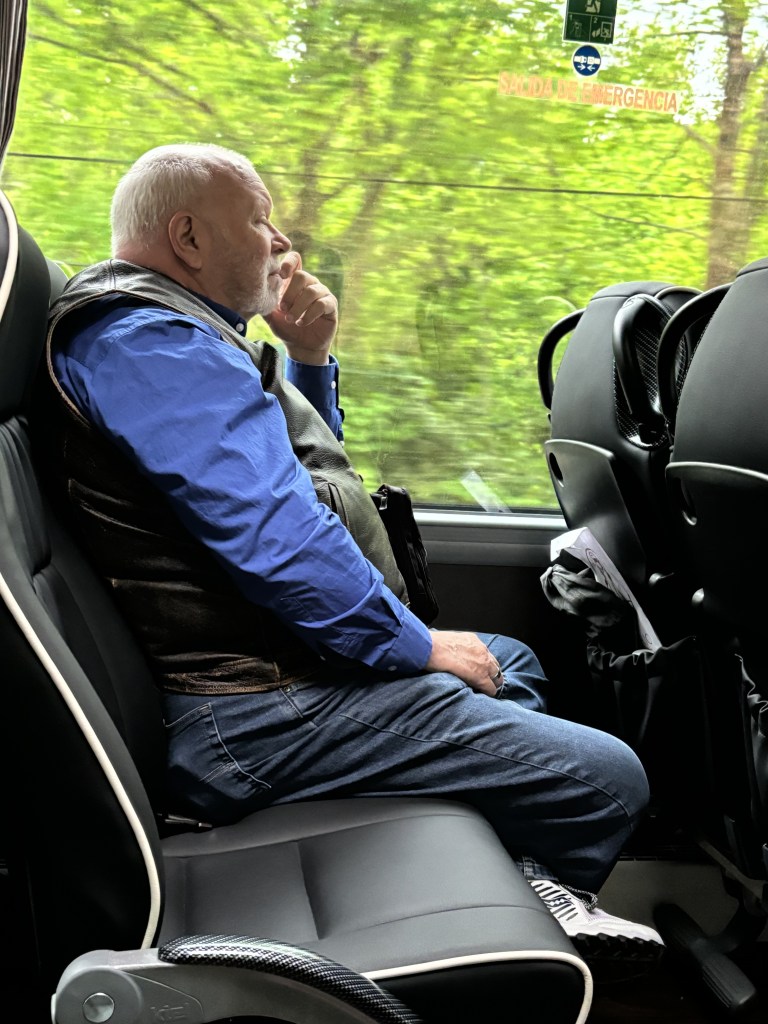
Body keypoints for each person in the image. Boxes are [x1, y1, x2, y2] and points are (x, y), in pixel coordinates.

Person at [44, 143, 662, 963]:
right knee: (608, 781)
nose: (281, 243)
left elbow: (295, 478)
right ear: (187, 238)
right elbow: (275, 536)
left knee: (506, 659)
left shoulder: (179, 334)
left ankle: (526, 868)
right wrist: (412, 645)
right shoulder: (149, 342)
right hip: (251, 713)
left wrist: (308, 359)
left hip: (279, 671)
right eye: (258, 220)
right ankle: (541, 904)